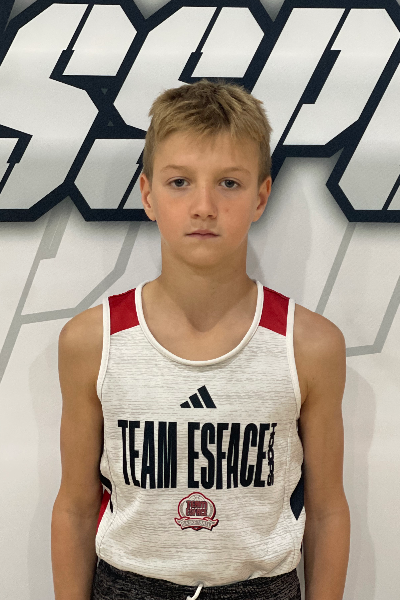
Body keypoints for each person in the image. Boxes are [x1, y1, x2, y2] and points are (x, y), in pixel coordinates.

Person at [51, 79, 350, 600]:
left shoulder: (309, 346)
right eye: (180, 182)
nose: (204, 206)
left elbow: (326, 510)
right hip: (128, 585)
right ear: (148, 195)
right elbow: (76, 507)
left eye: (229, 183)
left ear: (261, 196)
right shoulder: (93, 341)